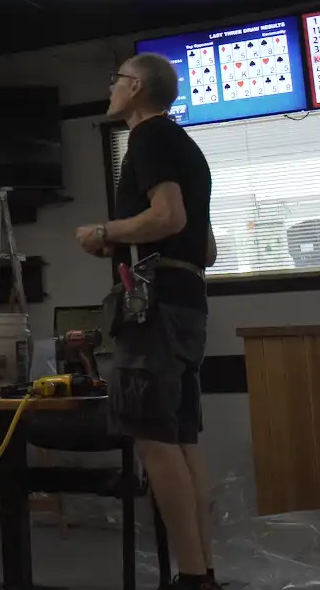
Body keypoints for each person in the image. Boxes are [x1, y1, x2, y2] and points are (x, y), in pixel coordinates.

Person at [75, 53, 217, 590]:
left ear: (135, 88)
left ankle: (193, 578)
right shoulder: (189, 148)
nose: (110, 90)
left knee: (154, 441)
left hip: (153, 303)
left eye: (116, 82)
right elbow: (205, 245)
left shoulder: (148, 139)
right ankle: (203, 573)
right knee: (182, 441)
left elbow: (169, 218)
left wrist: (105, 232)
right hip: (188, 300)